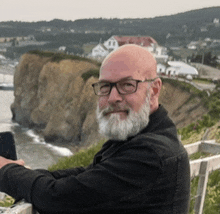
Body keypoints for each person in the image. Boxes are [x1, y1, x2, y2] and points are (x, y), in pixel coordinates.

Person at [0, 44, 190, 214]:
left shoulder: (151, 154)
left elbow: (58, 198)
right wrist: (25, 173)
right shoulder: (146, 136)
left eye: (127, 85)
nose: (113, 97)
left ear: (154, 89)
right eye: (105, 86)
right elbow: (89, 175)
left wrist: (5, 170)